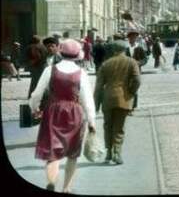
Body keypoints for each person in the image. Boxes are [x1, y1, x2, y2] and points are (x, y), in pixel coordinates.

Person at [30, 39, 96, 193]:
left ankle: (51, 182)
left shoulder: (50, 70)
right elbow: (88, 100)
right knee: (72, 154)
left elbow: (36, 94)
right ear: (77, 55)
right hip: (74, 113)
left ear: (61, 52)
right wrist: (92, 121)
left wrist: (34, 108)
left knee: (52, 154)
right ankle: (66, 188)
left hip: (53, 111)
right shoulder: (81, 73)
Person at [94, 39, 141, 164]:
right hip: (124, 98)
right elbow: (137, 80)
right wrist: (131, 92)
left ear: (113, 50)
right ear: (125, 49)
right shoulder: (131, 62)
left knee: (107, 126)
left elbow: (98, 86)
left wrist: (96, 105)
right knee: (119, 127)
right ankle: (117, 152)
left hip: (107, 98)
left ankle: (109, 152)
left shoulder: (106, 64)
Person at [126, 30, 146, 111]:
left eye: (134, 37)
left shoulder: (139, 48)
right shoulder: (126, 48)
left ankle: (133, 106)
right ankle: (128, 105)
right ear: (129, 38)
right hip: (126, 71)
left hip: (137, 71)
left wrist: (139, 63)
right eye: (131, 38)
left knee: (135, 87)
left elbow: (145, 59)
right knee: (127, 88)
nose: (133, 39)